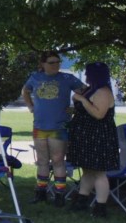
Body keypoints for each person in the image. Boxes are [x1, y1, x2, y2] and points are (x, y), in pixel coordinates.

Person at [22, 51, 85, 207]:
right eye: (52, 62)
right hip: (39, 126)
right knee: (42, 161)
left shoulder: (67, 78)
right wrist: (30, 106)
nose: (56, 65)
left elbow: (85, 91)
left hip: (59, 126)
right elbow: (25, 91)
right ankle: (41, 193)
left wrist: (76, 106)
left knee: (58, 161)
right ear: (43, 64)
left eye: (58, 62)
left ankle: (59, 196)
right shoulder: (35, 77)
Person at [67, 62, 120, 218]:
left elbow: (98, 114)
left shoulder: (104, 92)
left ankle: (100, 208)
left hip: (99, 137)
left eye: (88, 73)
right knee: (88, 170)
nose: (86, 75)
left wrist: (82, 100)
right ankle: (82, 202)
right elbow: (85, 111)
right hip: (86, 136)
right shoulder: (91, 90)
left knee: (99, 173)